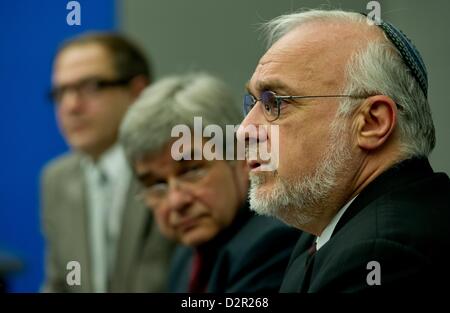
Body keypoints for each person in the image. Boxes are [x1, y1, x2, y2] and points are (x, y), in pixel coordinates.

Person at [237, 9, 450, 292]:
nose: (243, 130)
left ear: (372, 122)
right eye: (252, 103)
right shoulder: (327, 230)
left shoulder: (383, 253)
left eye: (274, 103)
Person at [119, 73, 300, 292]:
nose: (176, 201)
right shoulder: (184, 256)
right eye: (156, 184)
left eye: (192, 170)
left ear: (241, 158)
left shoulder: (271, 242)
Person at [41, 32, 175, 292]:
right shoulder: (55, 179)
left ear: (138, 92)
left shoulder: (175, 168)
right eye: (60, 92)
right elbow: (59, 285)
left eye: (91, 87)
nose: (70, 106)